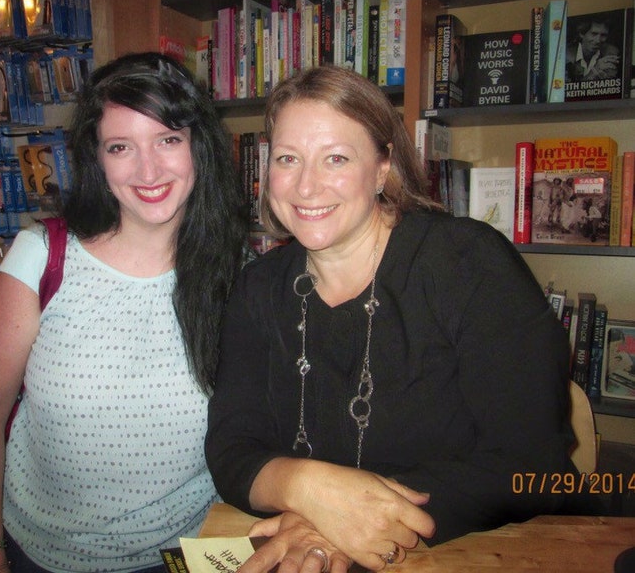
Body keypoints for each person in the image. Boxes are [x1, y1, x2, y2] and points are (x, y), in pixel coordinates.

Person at [205, 65, 598, 573]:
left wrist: (351, 521)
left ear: (383, 167)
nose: (306, 185)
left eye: (336, 158)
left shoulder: (467, 263)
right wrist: (311, 492)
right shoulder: (257, 286)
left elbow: (530, 463)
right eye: (288, 159)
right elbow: (232, 447)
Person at [0, 52, 247, 573]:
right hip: (41, 556)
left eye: (168, 139)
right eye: (121, 147)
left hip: (184, 555)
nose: (149, 169)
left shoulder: (234, 271)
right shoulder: (42, 255)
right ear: (97, 157)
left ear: (198, 146)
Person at [565, 16, 620, 82]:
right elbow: (568, 90)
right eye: (594, 34)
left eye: (603, 35)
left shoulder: (610, 53)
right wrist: (594, 72)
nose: (598, 40)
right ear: (582, 34)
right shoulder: (566, 55)